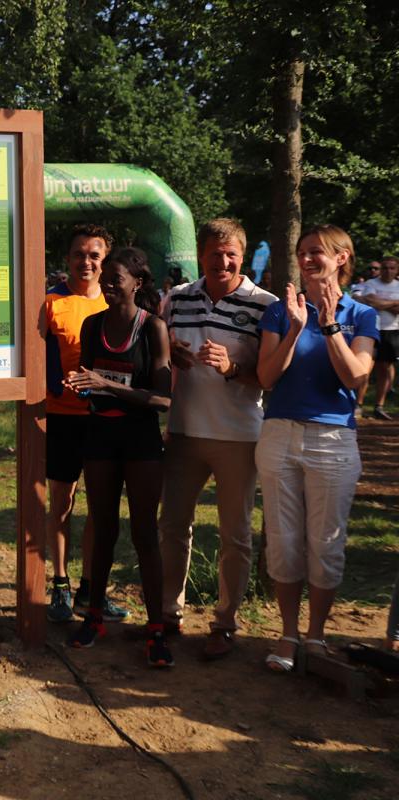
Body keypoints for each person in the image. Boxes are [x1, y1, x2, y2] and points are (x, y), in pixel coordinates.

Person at [256, 224, 378, 672]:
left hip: (333, 440)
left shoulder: (361, 315)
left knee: (325, 544)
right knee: (285, 543)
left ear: (342, 258)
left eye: (318, 253)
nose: (308, 259)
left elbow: (354, 377)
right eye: (303, 252)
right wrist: (295, 328)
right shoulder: (279, 311)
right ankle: (288, 635)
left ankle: (317, 636)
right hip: (280, 435)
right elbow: (267, 378)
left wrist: (328, 327)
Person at [158, 219, 278, 659]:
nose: (223, 261)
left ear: (242, 256)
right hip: (185, 431)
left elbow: (269, 377)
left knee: (236, 535)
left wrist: (231, 369)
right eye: (215, 253)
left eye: (231, 254)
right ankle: (168, 615)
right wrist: (170, 354)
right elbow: (158, 355)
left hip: (238, 436)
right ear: (201, 254)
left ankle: (225, 623)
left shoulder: (266, 306)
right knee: (172, 528)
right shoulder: (178, 298)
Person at [63, 247, 173, 667]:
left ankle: (157, 628)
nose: (107, 284)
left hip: (142, 441)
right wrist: (82, 385)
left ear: (137, 283)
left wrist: (105, 384)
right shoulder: (92, 326)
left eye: (116, 278)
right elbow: (91, 380)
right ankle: (94, 615)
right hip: (101, 437)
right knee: (103, 528)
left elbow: (162, 399)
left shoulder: (153, 329)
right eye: (104, 278)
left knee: (145, 533)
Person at [39, 224, 129, 624]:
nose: (86, 261)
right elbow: (35, 357)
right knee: (61, 504)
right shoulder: (51, 302)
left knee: (100, 508)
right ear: (68, 258)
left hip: (104, 420)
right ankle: (59, 584)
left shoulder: (115, 305)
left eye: (95, 255)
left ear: (105, 260)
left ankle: (91, 591)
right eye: (79, 254)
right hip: (60, 417)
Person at [351, 255, 399, 419]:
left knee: (384, 371)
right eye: (384, 267)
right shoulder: (370, 284)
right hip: (371, 329)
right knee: (365, 368)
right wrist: (393, 303)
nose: (388, 271)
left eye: (392, 268)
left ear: (397, 270)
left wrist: (379, 302)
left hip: (392, 331)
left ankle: (379, 406)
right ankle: (358, 404)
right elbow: (370, 301)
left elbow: (378, 304)